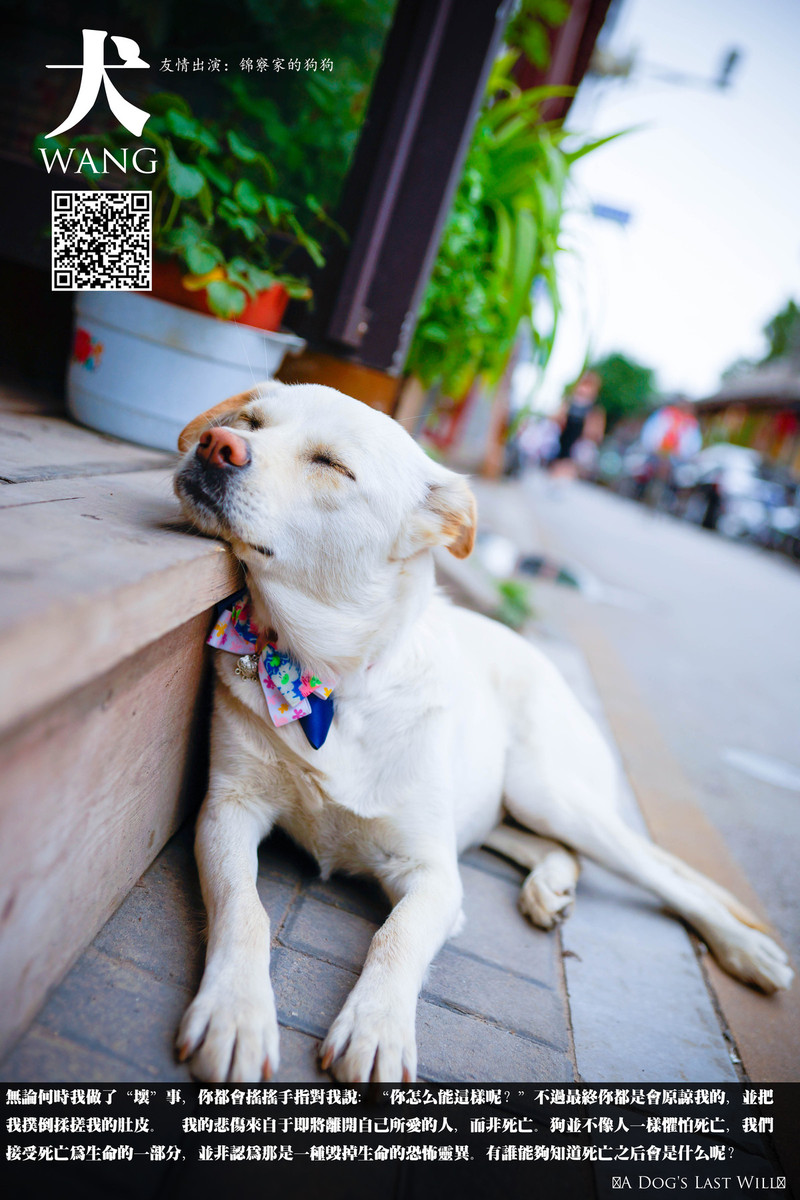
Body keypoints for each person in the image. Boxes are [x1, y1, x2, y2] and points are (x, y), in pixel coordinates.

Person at [549, 371, 605, 479]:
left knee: (570, 462)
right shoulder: (569, 401)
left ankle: (563, 477)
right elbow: (555, 418)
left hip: (578, 440)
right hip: (563, 435)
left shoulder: (594, 409)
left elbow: (597, 432)